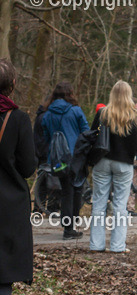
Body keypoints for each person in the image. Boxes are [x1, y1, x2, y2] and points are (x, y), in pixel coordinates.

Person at [0, 59, 35, 295]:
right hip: (8, 203)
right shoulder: (19, 119)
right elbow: (27, 168)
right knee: (4, 270)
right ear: (12, 85)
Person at [89, 81, 137, 253]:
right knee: (120, 206)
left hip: (102, 161)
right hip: (124, 164)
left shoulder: (102, 113)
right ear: (129, 95)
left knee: (99, 203)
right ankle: (117, 246)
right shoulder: (136, 117)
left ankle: (96, 245)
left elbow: (92, 136)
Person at [38, 81, 90, 239]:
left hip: (58, 159)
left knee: (66, 192)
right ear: (70, 94)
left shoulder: (47, 114)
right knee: (76, 191)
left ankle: (68, 227)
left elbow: (46, 137)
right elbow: (86, 132)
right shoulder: (76, 111)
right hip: (76, 157)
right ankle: (70, 228)